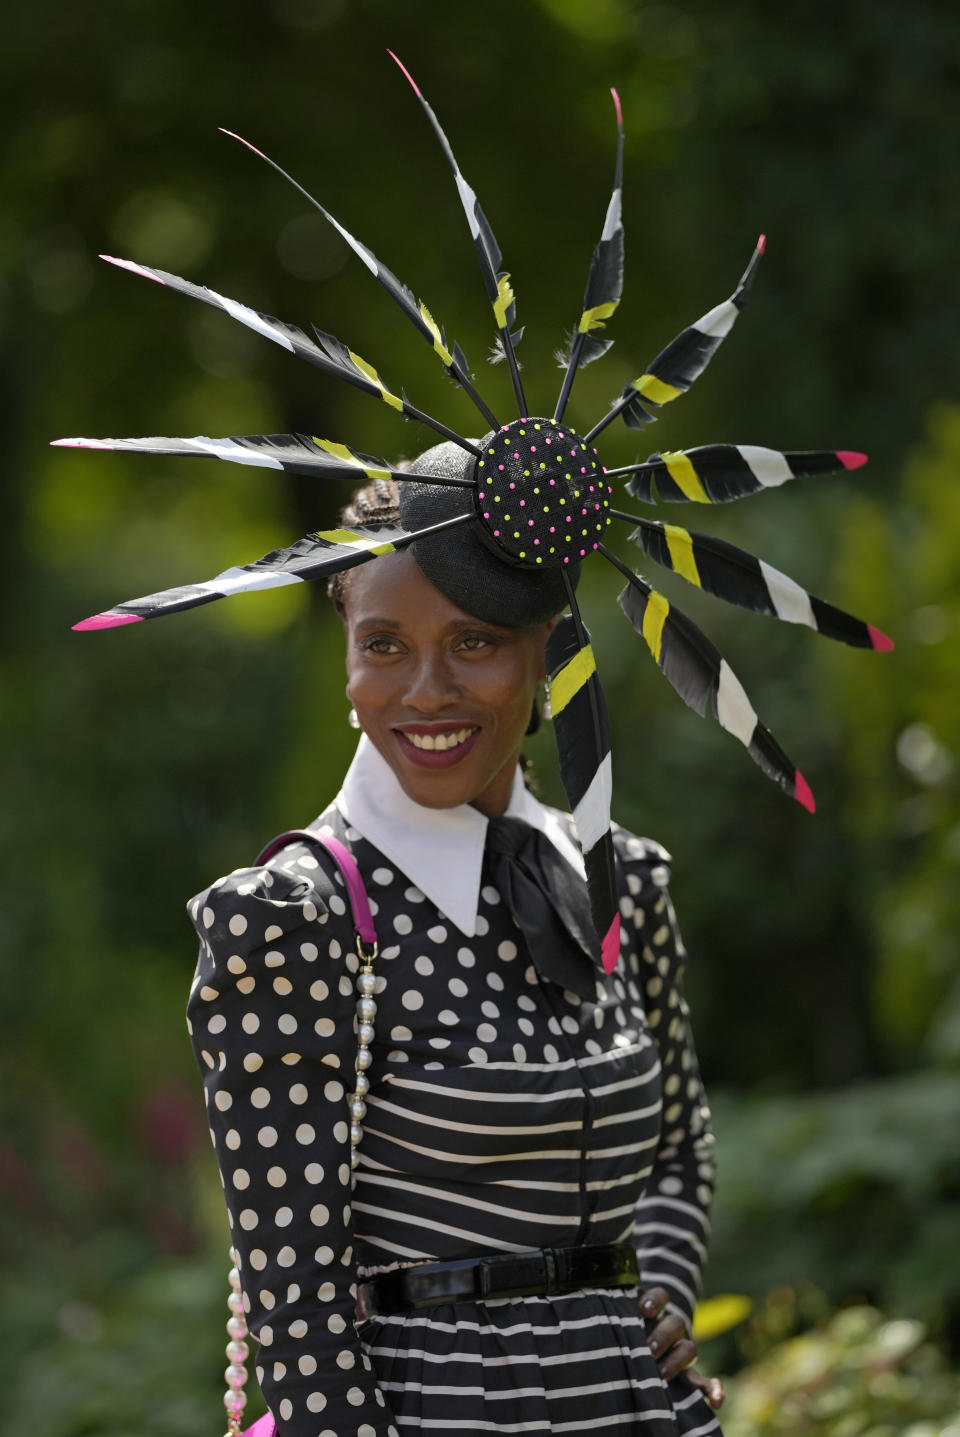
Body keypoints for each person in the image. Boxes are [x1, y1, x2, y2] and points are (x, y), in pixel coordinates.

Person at [186, 462, 726, 1437]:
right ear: (346, 659)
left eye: (474, 642)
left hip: (640, 1409)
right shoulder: (290, 923)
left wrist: (663, 1297)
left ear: (549, 650)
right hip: (435, 1411)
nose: (426, 692)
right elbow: (296, 1303)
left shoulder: (624, 882)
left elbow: (680, 1146)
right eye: (383, 647)